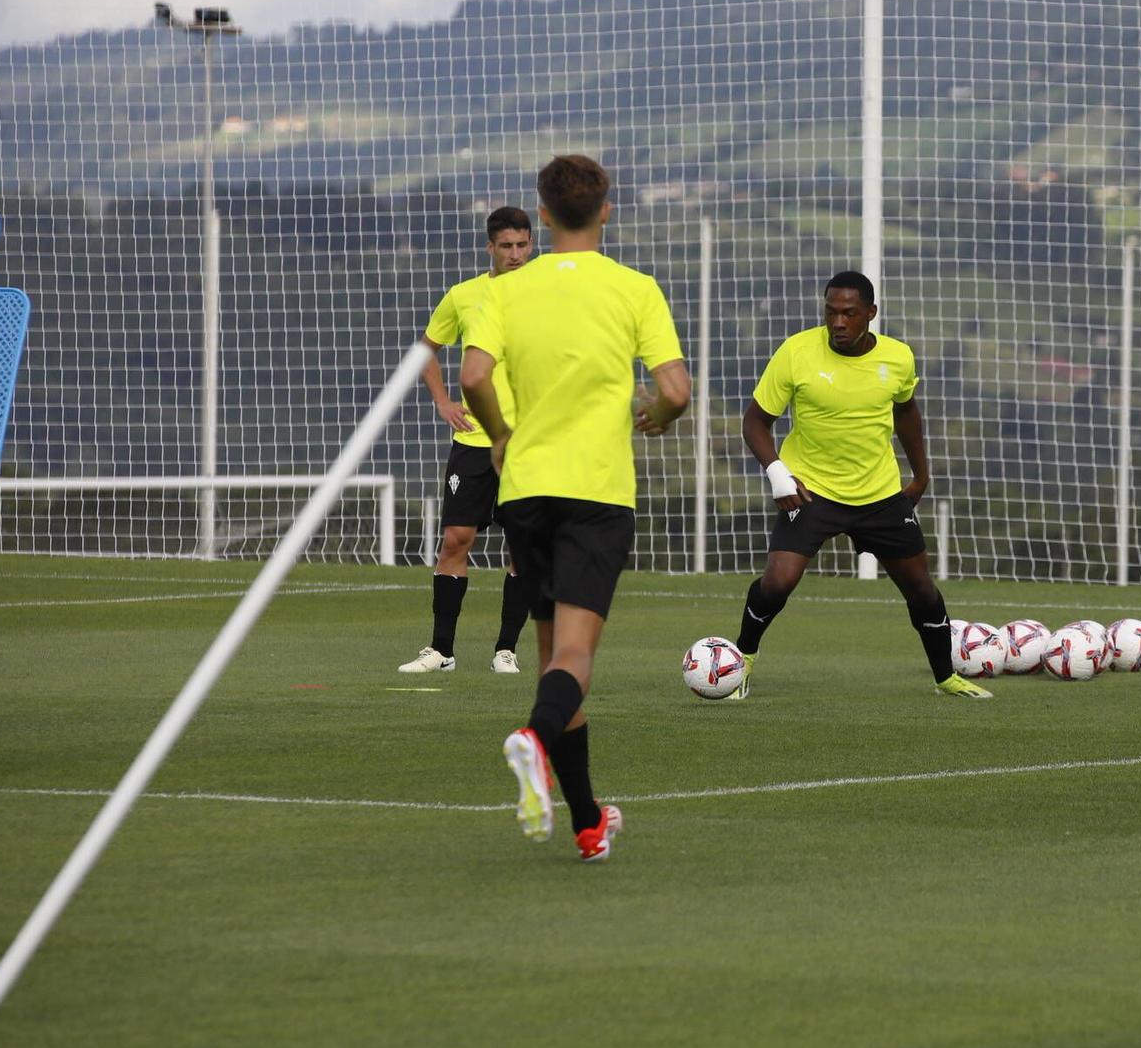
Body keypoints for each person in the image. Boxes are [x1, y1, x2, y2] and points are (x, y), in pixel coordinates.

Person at [460, 154, 690, 862]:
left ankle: (588, 821)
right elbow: (677, 389)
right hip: (596, 494)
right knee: (574, 657)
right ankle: (531, 737)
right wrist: (657, 413)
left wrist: (500, 435)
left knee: (552, 660)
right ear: (607, 211)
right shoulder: (635, 288)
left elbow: (472, 375)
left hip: (525, 489)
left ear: (546, 216)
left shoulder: (505, 290)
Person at [729, 271, 988, 700]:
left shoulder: (899, 357)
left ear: (870, 314)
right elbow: (756, 421)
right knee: (778, 581)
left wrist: (921, 474)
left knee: (921, 588)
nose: (838, 323)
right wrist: (778, 472)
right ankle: (739, 664)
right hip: (811, 489)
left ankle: (946, 678)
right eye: (831, 312)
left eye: (849, 313)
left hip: (879, 494)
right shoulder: (796, 352)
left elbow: (907, 414)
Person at [398, 206, 535, 674]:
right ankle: (441, 651)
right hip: (475, 443)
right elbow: (426, 349)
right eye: (507, 246)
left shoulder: (546, 295)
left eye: (523, 245)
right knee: (456, 539)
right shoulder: (464, 296)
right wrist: (442, 401)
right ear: (490, 248)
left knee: (522, 546)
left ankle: (506, 650)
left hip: (527, 445)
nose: (516, 255)